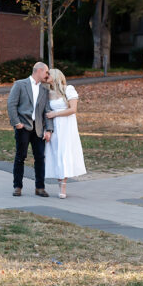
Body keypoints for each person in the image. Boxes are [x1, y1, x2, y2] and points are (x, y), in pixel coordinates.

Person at [7, 61, 53, 197]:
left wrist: (49, 129)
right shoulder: (20, 84)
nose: (47, 74)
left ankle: (40, 187)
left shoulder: (45, 89)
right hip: (23, 127)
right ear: (38, 70)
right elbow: (11, 104)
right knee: (20, 157)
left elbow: (47, 110)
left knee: (40, 157)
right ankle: (17, 186)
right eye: (46, 72)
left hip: (38, 128)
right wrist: (17, 123)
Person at [43, 68, 86, 198]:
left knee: (64, 152)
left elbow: (73, 109)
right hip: (54, 126)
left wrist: (55, 113)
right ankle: (59, 183)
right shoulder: (47, 93)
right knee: (55, 152)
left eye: (48, 74)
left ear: (56, 76)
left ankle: (63, 186)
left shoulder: (68, 89)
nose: (46, 76)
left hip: (67, 126)